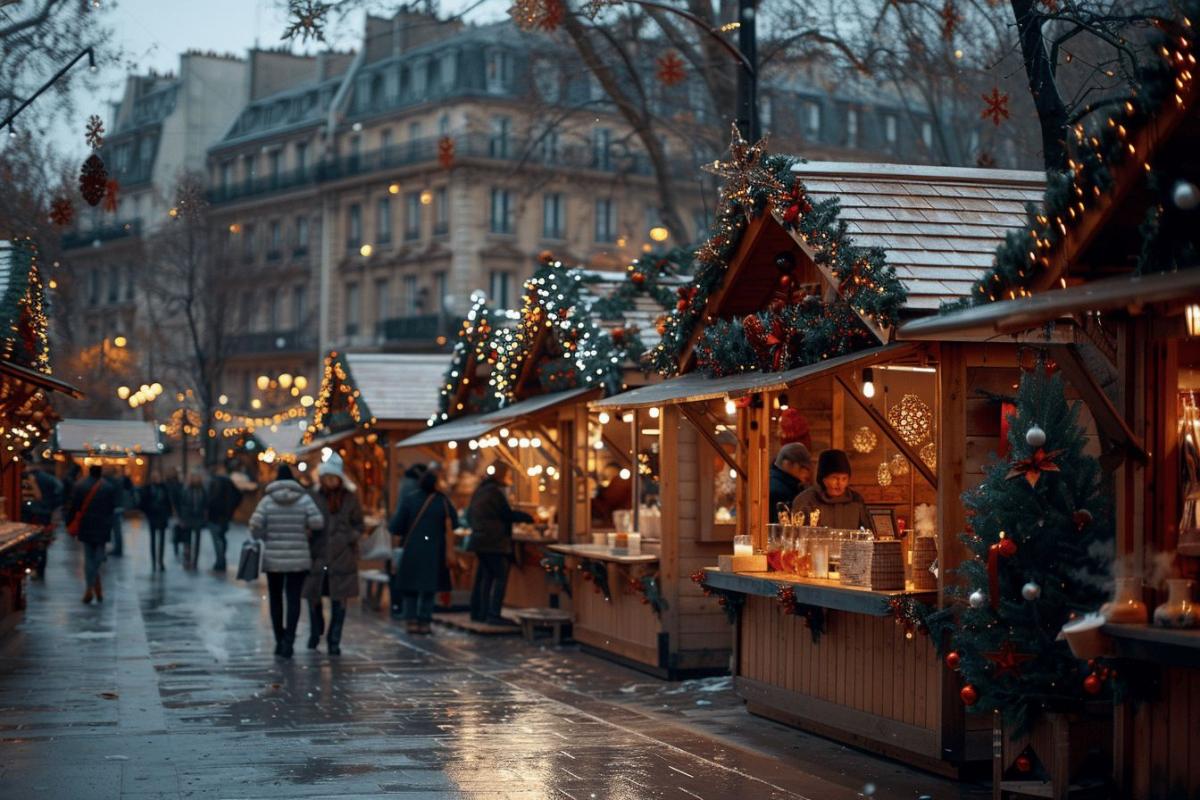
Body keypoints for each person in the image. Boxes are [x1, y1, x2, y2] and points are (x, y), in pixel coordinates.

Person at [250, 464, 323, 658]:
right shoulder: (304, 499)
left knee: (275, 599)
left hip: (273, 558)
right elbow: (318, 522)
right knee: (293, 599)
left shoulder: (267, 501)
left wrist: (265, 535)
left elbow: (254, 525)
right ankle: (289, 641)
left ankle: (279, 640)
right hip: (298, 558)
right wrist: (304, 528)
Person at [303, 453, 364, 655]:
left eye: (334, 477)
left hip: (342, 557)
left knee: (340, 600)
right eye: (327, 477)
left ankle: (334, 639)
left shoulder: (350, 498)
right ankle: (315, 631)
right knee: (314, 596)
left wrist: (349, 537)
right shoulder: (313, 497)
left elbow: (359, 524)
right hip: (318, 554)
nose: (331, 481)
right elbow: (306, 521)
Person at [392, 464, 457, 635]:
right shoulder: (443, 502)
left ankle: (411, 621)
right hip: (435, 552)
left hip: (412, 549)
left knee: (410, 588)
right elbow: (454, 523)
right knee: (429, 588)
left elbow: (396, 526)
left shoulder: (409, 499)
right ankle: (425, 622)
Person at [466, 461, 533, 625]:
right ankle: (493, 613)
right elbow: (506, 514)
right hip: (493, 541)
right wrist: (528, 517)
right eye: (508, 474)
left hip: (481, 539)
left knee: (486, 577)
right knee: (500, 576)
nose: (509, 478)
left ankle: (480, 613)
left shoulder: (481, 490)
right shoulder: (494, 492)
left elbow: (470, 514)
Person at [66, 465, 117, 604]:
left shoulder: (80, 486)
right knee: (99, 557)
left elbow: (73, 507)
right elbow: (112, 508)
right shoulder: (108, 488)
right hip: (102, 527)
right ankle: (96, 589)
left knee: (89, 558)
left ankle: (89, 588)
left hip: (86, 526)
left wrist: (68, 523)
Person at [791, 449, 875, 533]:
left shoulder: (856, 501)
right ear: (823, 479)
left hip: (849, 546)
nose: (840, 483)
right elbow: (796, 534)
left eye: (844, 479)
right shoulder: (806, 501)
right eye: (834, 478)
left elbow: (867, 533)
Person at [388, 462, 429, 618]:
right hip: (420, 539)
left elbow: (398, 519)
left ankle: (404, 610)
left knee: (406, 576)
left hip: (408, 538)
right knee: (417, 579)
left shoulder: (405, 486)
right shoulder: (418, 490)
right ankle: (419, 616)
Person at [206, 463, 243, 572]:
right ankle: (221, 560)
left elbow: (211, 499)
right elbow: (239, 495)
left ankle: (220, 561)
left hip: (216, 515)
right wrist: (231, 509)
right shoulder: (228, 482)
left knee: (217, 538)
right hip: (225, 515)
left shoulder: (214, 482)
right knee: (221, 537)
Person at [139, 470, 174, 572]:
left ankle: (160, 561)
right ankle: (154, 561)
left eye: (157, 477)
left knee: (162, 540)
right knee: (153, 540)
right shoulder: (148, 488)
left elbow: (168, 501)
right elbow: (143, 502)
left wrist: (168, 513)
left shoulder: (164, 488)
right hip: (153, 516)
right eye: (154, 477)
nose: (156, 479)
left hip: (162, 516)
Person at [176, 470, 209, 569]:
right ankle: (187, 558)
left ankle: (195, 561)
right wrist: (182, 518)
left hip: (198, 517)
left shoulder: (202, 490)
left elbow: (205, 504)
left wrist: (204, 516)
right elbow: (182, 504)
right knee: (188, 540)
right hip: (188, 518)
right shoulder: (186, 490)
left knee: (197, 540)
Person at [770, 443, 813, 514]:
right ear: (787, 464)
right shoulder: (780, 491)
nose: (807, 472)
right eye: (803, 467)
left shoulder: (790, 486)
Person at [590, 461, 632, 527]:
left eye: (610, 474)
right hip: (619, 515)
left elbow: (611, 499)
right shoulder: (619, 481)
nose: (608, 476)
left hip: (619, 516)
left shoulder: (620, 481)